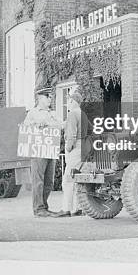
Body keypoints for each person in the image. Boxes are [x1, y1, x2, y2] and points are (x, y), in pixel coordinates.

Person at [23, 87, 64, 217]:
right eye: (48, 96)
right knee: (38, 180)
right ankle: (38, 208)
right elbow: (25, 127)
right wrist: (36, 123)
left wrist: (47, 123)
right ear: (40, 98)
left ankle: (44, 206)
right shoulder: (33, 113)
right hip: (38, 150)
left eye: (51, 97)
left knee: (49, 181)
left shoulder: (53, 113)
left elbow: (61, 125)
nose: (50, 99)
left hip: (50, 149)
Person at [57, 88, 84, 217]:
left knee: (67, 180)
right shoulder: (82, 114)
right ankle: (77, 208)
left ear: (73, 101)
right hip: (83, 149)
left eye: (69, 100)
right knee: (78, 178)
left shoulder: (73, 114)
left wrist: (68, 148)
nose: (68, 102)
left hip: (75, 149)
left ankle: (66, 209)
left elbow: (72, 134)